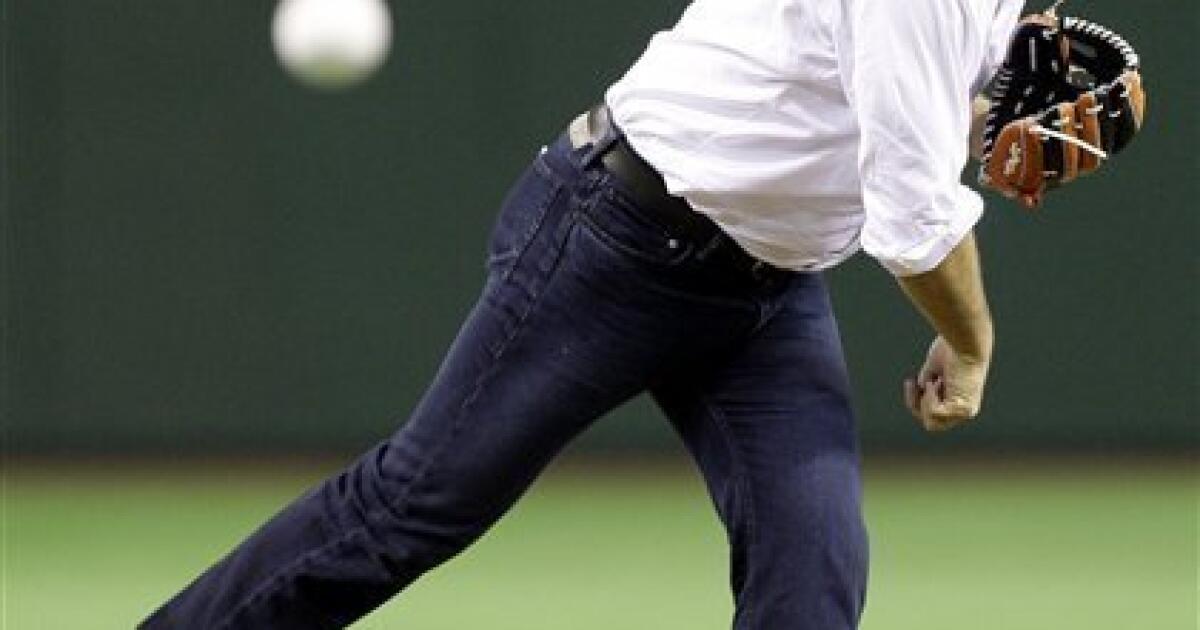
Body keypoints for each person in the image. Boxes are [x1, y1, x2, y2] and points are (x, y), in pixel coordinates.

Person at [142, 0, 1025, 627]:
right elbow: (910, 217)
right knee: (410, 510)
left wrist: (988, 107)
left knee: (816, 570)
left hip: (770, 285)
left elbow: (858, 90)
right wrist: (969, 342)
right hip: (619, 238)